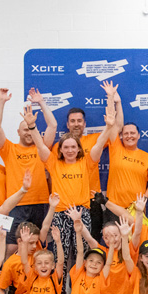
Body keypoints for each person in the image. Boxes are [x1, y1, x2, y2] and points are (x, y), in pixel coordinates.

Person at [25, 101, 110, 272]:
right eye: (66, 147)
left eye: (73, 147)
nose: (70, 150)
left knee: (83, 253)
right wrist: (32, 127)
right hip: (60, 214)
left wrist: (108, 126)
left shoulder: (87, 162)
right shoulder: (53, 163)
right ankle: (61, 287)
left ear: (78, 149)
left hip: (82, 213)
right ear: (61, 150)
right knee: (60, 255)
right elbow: (40, 145)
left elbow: (99, 144)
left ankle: (81, 285)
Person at [0, 87, 57, 252]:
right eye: (25, 129)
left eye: (31, 129)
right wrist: (1, 101)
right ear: (18, 132)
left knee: (39, 247)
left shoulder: (42, 147)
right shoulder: (9, 149)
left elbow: (52, 125)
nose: (29, 133)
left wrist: (41, 102)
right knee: (12, 247)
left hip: (41, 203)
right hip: (16, 204)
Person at [47, 208, 117, 294]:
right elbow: (80, 252)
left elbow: (109, 263)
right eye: (91, 261)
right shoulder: (78, 273)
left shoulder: (101, 278)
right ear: (85, 263)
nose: (94, 264)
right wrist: (78, 232)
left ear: (102, 266)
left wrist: (112, 246)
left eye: (98, 262)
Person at [53, 99, 110, 239]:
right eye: (72, 121)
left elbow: (115, 129)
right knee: (66, 242)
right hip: (66, 203)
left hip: (92, 200)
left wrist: (112, 99)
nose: (76, 124)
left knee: (92, 241)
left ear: (84, 124)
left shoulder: (94, 139)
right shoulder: (58, 147)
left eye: (79, 121)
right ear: (67, 124)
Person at [103, 82, 148, 212]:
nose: (129, 136)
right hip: (114, 207)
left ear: (138, 135)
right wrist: (113, 100)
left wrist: (143, 198)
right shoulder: (116, 147)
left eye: (132, 133)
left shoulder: (146, 157)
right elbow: (112, 121)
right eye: (126, 133)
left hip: (136, 209)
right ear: (121, 136)